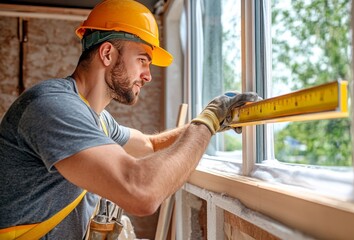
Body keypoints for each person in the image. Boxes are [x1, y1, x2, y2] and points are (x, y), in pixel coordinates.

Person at [0, 0, 259, 239]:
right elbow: (141, 193)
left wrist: (211, 123)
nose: (148, 75)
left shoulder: (98, 120)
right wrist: (207, 123)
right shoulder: (54, 107)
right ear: (108, 54)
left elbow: (149, 145)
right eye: (142, 60)